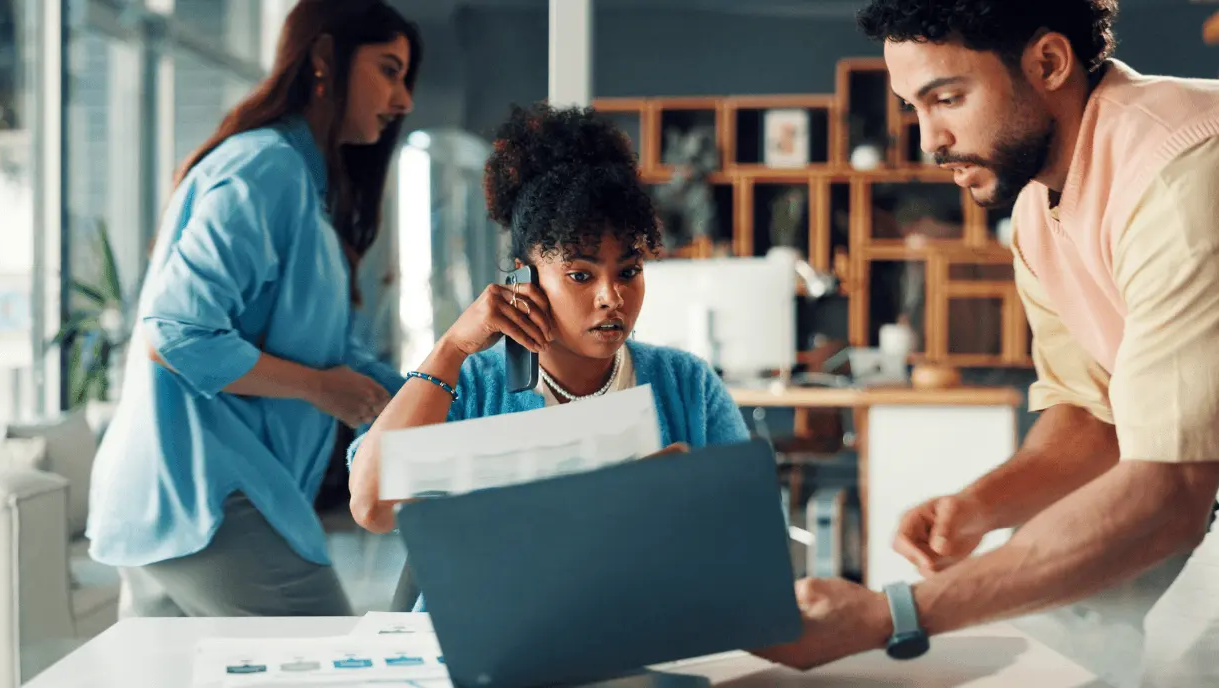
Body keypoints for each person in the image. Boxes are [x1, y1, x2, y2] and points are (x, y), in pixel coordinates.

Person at [749, 1, 1219, 683]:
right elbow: (1095, 416)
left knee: (1180, 668)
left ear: (1049, 63)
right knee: (1050, 637)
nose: (929, 139)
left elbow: (1170, 489)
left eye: (948, 98)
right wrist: (983, 505)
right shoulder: (1036, 206)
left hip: (1190, 490)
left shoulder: (1178, 173)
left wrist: (892, 616)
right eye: (914, 107)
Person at [85, 0, 421, 618]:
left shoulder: (299, 180)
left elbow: (332, 351)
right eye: (389, 69)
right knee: (329, 670)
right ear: (324, 58)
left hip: (171, 495)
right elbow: (177, 333)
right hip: (207, 494)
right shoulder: (267, 167)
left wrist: (434, 396)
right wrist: (322, 390)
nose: (402, 100)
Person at [345, 102, 751, 564]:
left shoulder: (686, 385)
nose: (611, 298)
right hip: (493, 624)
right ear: (526, 278)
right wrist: (451, 349)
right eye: (581, 275)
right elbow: (371, 506)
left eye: (629, 271)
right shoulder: (472, 387)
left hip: (642, 623)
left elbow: (747, 537)